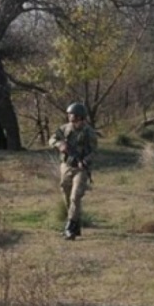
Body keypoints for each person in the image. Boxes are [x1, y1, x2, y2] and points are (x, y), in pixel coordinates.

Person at [48, 102, 97, 240]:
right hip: (66, 166)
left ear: (81, 117)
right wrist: (59, 145)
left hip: (81, 169)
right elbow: (51, 139)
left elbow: (94, 151)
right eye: (69, 115)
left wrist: (85, 161)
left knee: (75, 197)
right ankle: (75, 224)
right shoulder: (64, 129)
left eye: (74, 116)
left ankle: (69, 228)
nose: (71, 118)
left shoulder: (89, 132)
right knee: (66, 192)